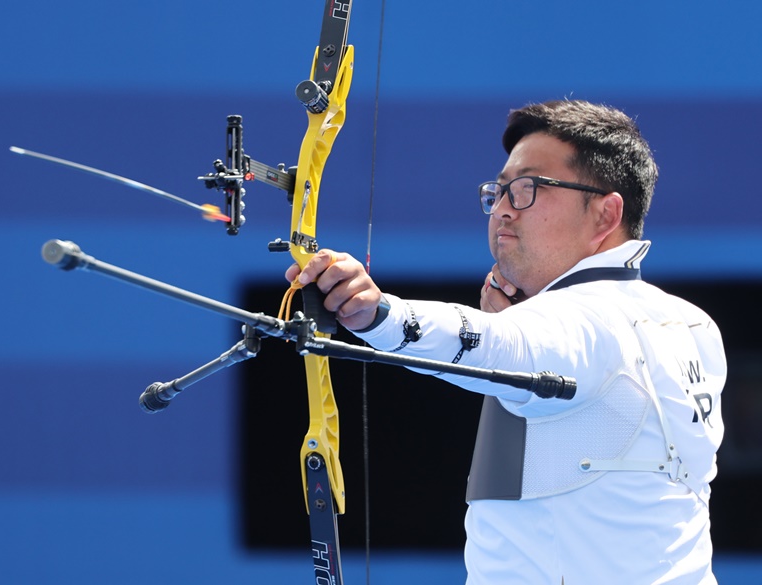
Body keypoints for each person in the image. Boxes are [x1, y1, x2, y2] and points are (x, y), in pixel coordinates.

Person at [286, 99, 726, 584]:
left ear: (605, 214)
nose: (500, 210)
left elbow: (498, 344)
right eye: (497, 192)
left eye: (526, 189)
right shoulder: (693, 325)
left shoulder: (587, 322)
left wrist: (378, 314)